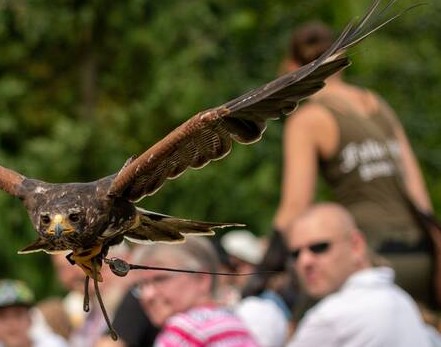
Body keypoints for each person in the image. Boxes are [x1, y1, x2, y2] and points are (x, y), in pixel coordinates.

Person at [253, 21, 438, 308]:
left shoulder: (309, 119)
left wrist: (261, 272)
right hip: (420, 255)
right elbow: (419, 195)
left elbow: (295, 207)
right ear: (341, 61)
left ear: (291, 67)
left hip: (370, 260)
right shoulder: (377, 104)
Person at [287, 203, 431, 346]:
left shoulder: (330, 318)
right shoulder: (401, 299)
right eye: (295, 254)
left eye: (319, 247)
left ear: (356, 245)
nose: (304, 261)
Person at [133, 238, 258, 347]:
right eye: (141, 285)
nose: (147, 295)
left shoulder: (185, 330)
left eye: (160, 279)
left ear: (202, 278)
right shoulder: (234, 323)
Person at [0, 279, 67, 347]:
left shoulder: (53, 344)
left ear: (30, 318)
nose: (11, 323)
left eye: (18, 314)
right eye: (2, 317)